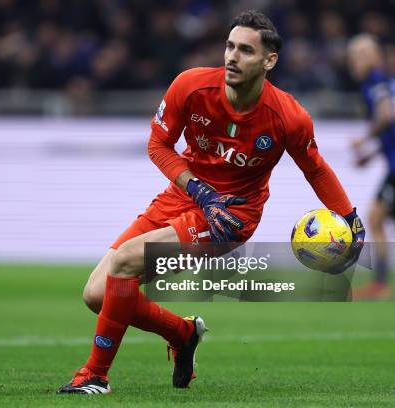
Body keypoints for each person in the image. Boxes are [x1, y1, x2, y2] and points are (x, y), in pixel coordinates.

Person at [57, 10, 366, 395]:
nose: (232, 57)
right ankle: (183, 333)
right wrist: (198, 189)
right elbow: (158, 145)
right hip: (186, 196)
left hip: (230, 217)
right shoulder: (191, 86)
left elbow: (316, 170)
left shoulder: (289, 117)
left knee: (123, 263)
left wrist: (351, 218)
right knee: (97, 295)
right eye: (230, 46)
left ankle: (95, 376)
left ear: (269, 61)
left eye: (246, 51)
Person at [348, 34, 394, 300]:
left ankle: (380, 284)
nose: (355, 61)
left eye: (361, 55)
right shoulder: (379, 82)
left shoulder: (375, 81)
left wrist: (363, 140)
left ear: (376, 57)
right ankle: (381, 283)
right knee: (379, 219)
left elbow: (387, 114)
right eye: (353, 56)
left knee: (375, 218)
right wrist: (371, 152)